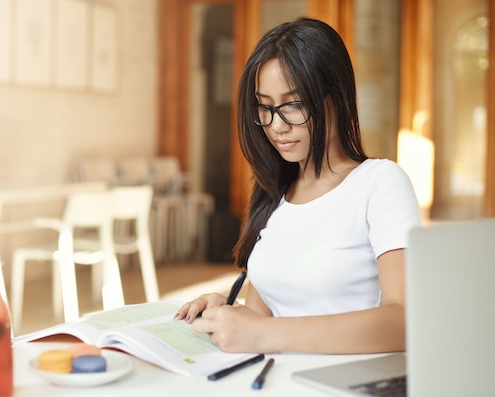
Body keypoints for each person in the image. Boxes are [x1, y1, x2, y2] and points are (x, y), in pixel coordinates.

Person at [174, 17, 421, 354]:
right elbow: (264, 317)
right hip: (272, 380)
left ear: (337, 98)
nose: (276, 125)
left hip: (342, 387)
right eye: (265, 106)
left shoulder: (380, 183)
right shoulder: (274, 192)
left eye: (293, 104)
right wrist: (227, 315)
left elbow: (404, 323)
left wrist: (263, 333)